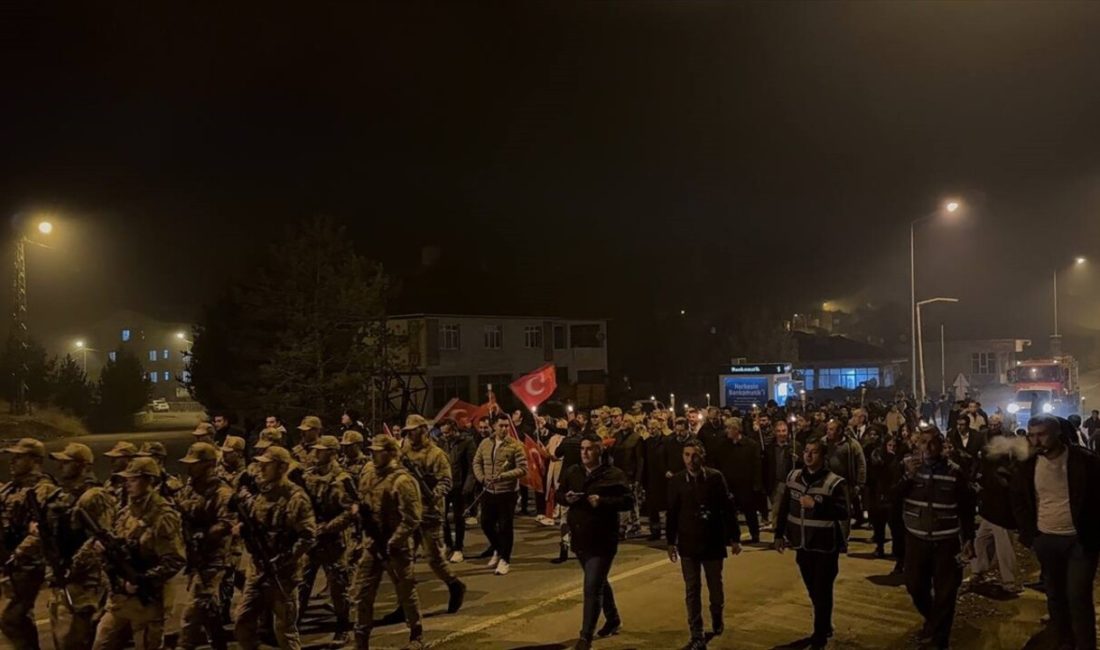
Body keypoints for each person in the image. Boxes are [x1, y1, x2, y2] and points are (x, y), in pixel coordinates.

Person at [1012, 415, 1100, 650]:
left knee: (1078, 596)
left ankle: (1085, 645)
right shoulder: (1027, 464)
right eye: (1031, 435)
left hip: (1079, 540)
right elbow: (1019, 499)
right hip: (1046, 539)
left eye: (1041, 434)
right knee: (1055, 596)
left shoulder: (1084, 461)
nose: (1035, 440)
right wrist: (1031, 535)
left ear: (1057, 433)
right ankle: (1063, 641)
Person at [91, 456, 186, 650]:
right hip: (120, 599)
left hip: (147, 602)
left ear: (149, 481)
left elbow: (175, 560)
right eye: (126, 480)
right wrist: (104, 550)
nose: (127, 485)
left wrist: (142, 580)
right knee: (101, 644)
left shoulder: (163, 515)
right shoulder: (126, 512)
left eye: (133, 480)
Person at [897, 425, 975, 650]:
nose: (928, 448)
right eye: (923, 442)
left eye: (933, 442)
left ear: (941, 445)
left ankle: (940, 641)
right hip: (916, 540)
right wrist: (907, 477)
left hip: (946, 543)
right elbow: (893, 496)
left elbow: (967, 508)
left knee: (946, 593)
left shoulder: (954, 472)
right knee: (915, 586)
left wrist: (968, 538)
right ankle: (933, 620)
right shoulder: (907, 468)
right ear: (917, 445)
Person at [233, 446, 317, 650]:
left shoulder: (295, 498)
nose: (261, 468)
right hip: (258, 570)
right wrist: (242, 528)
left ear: (281, 468)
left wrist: (282, 560)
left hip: (283, 574)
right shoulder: (263, 492)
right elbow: (256, 521)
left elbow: (307, 536)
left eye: (266, 465)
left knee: (285, 631)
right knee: (243, 621)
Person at [34, 443, 116, 650]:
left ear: (84, 466)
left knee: (77, 637)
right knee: (63, 637)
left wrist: (74, 568)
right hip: (62, 576)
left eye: (67, 463)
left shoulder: (94, 496)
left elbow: (102, 539)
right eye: (60, 462)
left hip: (85, 579)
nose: (60, 466)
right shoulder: (61, 495)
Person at [561, 435, 635, 650]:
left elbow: (628, 501)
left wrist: (602, 501)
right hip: (580, 537)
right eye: (582, 449)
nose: (584, 453)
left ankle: (585, 637)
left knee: (592, 586)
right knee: (598, 581)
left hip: (603, 539)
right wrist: (567, 498)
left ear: (599, 451)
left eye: (590, 449)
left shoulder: (613, 475)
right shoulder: (573, 472)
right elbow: (558, 494)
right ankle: (612, 619)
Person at [774, 439, 849, 649]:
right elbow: (784, 508)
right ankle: (824, 623)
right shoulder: (794, 477)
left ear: (823, 456)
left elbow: (844, 512)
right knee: (813, 589)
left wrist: (816, 504)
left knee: (823, 589)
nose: (808, 456)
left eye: (814, 452)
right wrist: (779, 534)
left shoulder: (834, 482)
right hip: (802, 545)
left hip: (825, 546)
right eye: (806, 451)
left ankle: (820, 633)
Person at [352, 434, 425, 650]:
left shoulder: (402, 481)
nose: (373, 454)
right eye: (372, 450)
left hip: (396, 546)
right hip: (372, 545)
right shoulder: (368, 475)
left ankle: (416, 634)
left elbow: (412, 517)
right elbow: (362, 502)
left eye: (378, 450)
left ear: (391, 453)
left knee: (405, 591)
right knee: (362, 593)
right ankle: (361, 638)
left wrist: (394, 541)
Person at [668, 439, 740, 650]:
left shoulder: (715, 478)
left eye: (695, 455)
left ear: (703, 456)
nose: (691, 460)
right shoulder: (677, 481)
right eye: (687, 455)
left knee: (715, 585)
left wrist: (734, 538)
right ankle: (696, 632)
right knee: (692, 589)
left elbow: (728, 508)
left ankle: (717, 615)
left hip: (712, 541)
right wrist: (671, 542)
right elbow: (672, 513)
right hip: (688, 543)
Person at [400, 415, 467, 613]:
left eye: (413, 430)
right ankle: (405, 602)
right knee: (404, 559)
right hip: (408, 513)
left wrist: (432, 495)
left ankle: (454, 585)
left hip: (430, 513)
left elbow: (446, 481)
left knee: (434, 559)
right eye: (408, 431)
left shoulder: (437, 454)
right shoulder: (404, 453)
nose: (410, 434)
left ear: (423, 430)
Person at [176, 442, 235, 650]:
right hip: (195, 557)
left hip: (213, 558)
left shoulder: (222, 492)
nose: (189, 467)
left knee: (192, 612)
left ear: (209, 464)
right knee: (209, 609)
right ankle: (220, 644)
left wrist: (205, 535)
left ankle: (185, 645)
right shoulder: (189, 489)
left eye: (195, 464)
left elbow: (227, 523)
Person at [298, 435, 357, 642]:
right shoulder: (308, 476)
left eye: (321, 450)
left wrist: (327, 527)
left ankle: (343, 627)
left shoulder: (342, 479)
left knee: (338, 586)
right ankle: (294, 624)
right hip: (312, 539)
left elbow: (350, 511)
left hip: (333, 540)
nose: (316, 452)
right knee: (303, 583)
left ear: (332, 453)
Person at [0, 438, 57, 650]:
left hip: (30, 563)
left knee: (12, 618)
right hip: (12, 563)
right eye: (12, 457)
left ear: (34, 460)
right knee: (17, 618)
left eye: (18, 457)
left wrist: (18, 554)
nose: (12, 461)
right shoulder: (11, 488)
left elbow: (42, 530)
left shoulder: (43, 490)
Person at [473, 415, 529, 576]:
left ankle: (505, 559)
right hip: (489, 490)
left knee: (505, 526)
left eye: (507, 426)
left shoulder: (515, 446)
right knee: (486, 523)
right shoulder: (485, 443)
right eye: (501, 426)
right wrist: (482, 478)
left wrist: (503, 476)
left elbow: (523, 469)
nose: (504, 429)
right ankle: (498, 548)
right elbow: (476, 462)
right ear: (494, 426)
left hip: (507, 492)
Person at [970, 433, 1024, 594]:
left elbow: (1006, 487)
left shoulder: (1008, 465)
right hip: (992, 511)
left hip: (1002, 513)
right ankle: (979, 571)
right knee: (980, 541)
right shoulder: (996, 463)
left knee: (1004, 548)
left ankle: (1010, 582)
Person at [716, 417, 763, 543]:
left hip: (746, 485)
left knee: (750, 511)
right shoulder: (723, 446)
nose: (727, 431)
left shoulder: (751, 445)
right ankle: (730, 536)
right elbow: (720, 464)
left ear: (737, 429)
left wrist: (756, 484)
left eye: (729, 428)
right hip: (730, 484)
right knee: (729, 512)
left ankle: (755, 534)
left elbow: (757, 465)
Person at [823, 418, 866, 543]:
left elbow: (861, 465)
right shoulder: (824, 443)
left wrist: (860, 484)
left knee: (844, 513)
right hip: (827, 483)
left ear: (840, 431)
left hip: (844, 484)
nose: (828, 432)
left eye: (831, 429)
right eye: (828, 429)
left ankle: (843, 539)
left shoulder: (852, 445)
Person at [440, 418, 476, 563]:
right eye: (443, 433)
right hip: (444, 485)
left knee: (458, 518)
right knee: (442, 517)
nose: (445, 435)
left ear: (454, 430)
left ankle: (458, 548)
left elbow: (471, 466)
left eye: (447, 432)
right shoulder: (441, 442)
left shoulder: (467, 442)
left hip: (459, 486)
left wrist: (467, 487)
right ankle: (448, 544)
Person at [866, 436, 904, 560]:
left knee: (895, 527)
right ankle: (880, 547)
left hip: (893, 498)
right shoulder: (879, 460)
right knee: (879, 524)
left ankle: (897, 552)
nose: (892, 448)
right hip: (880, 496)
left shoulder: (900, 461)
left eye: (894, 446)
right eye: (889, 445)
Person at [610, 421, 645, 539]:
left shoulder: (636, 438)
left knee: (631, 499)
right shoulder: (617, 436)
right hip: (618, 472)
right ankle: (628, 525)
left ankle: (629, 525)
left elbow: (639, 459)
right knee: (623, 499)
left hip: (630, 473)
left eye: (627, 421)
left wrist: (637, 478)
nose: (624, 423)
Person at [764, 419, 800, 530]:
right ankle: (777, 534)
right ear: (775, 432)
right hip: (776, 483)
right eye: (779, 431)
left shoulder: (795, 446)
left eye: (784, 431)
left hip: (791, 483)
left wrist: (798, 460)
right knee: (777, 510)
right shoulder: (769, 448)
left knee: (792, 510)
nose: (781, 434)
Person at [643, 417, 671, 541]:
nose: (651, 431)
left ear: (659, 428)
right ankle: (655, 531)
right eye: (649, 429)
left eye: (654, 428)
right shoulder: (646, 442)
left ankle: (669, 530)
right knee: (652, 507)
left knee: (665, 507)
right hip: (651, 477)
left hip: (663, 478)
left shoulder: (666, 442)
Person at [102, 441, 140, 507]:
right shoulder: (110, 482)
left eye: (116, 458)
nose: (112, 461)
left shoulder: (137, 484)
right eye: (112, 458)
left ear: (129, 459)